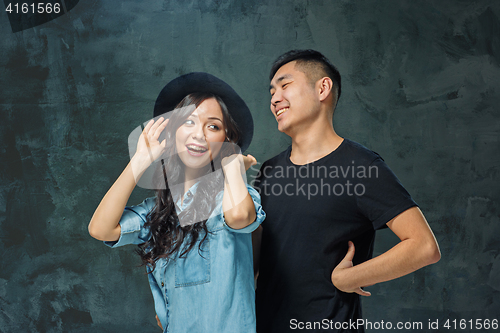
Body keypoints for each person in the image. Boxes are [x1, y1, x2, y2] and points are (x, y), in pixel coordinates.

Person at [253, 50, 441, 332]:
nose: (274, 98)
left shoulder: (361, 166)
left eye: (285, 85)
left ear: (322, 89)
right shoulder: (268, 172)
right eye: (272, 91)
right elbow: (252, 263)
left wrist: (350, 278)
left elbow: (424, 246)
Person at [88, 72, 265, 333]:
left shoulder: (237, 196)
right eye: (189, 122)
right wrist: (139, 162)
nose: (199, 134)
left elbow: (239, 216)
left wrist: (233, 167)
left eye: (213, 126)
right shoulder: (155, 211)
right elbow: (100, 229)